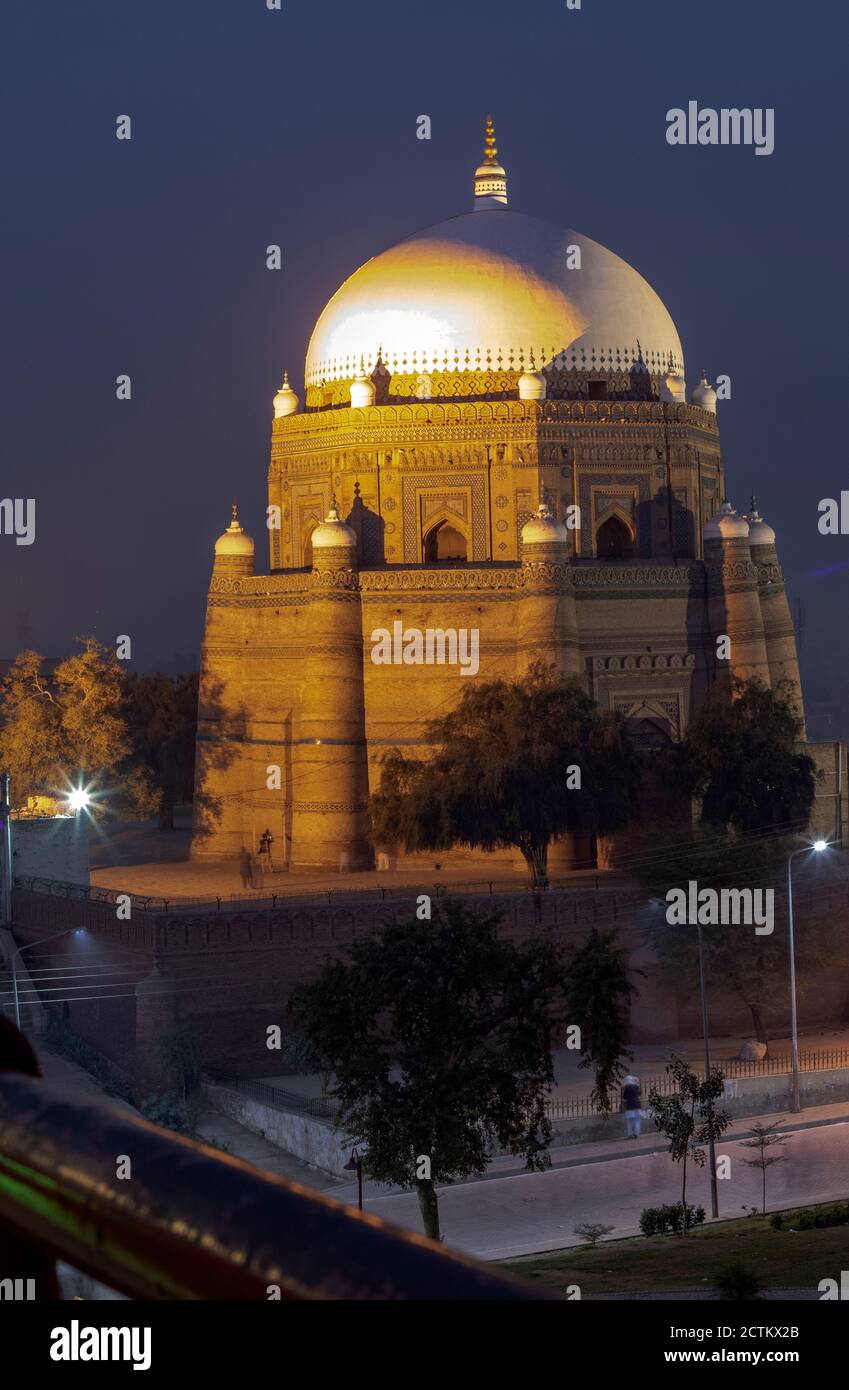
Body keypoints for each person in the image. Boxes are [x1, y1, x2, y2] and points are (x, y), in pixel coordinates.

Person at [622, 1073, 643, 1139]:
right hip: (637, 1105)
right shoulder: (636, 1086)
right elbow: (640, 1093)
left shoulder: (626, 1087)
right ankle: (636, 1134)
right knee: (637, 1120)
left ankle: (630, 1134)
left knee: (630, 1121)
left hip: (629, 1106)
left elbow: (625, 1097)